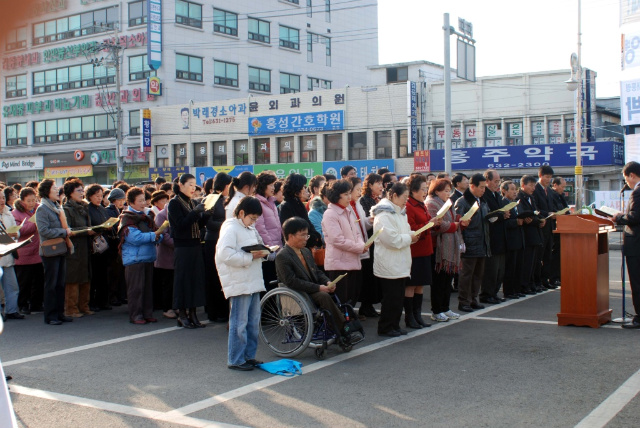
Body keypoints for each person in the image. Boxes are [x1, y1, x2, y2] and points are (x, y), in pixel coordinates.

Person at [275, 217, 362, 344]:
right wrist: (318, 288)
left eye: (307, 234)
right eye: (302, 235)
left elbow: (317, 271)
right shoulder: (282, 256)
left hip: (312, 289)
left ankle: (338, 326)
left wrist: (327, 282)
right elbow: (291, 281)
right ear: (290, 236)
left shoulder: (305, 251)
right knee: (323, 296)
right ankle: (343, 328)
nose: (306, 238)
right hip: (298, 292)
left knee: (332, 292)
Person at [215, 196, 266, 371]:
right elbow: (225, 255)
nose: (254, 222)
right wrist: (250, 256)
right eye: (252, 218)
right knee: (240, 323)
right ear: (242, 212)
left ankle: (248, 356)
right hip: (239, 281)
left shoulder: (250, 228)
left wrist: (266, 251)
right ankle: (236, 359)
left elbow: (259, 246)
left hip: (252, 279)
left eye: (256, 219)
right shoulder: (230, 227)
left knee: (252, 322)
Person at [371, 182, 419, 337]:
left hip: (400, 261)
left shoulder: (399, 213)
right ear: (394, 196)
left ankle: (395, 325)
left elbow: (403, 233)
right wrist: (409, 237)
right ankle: (385, 327)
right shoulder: (383, 215)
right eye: (404, 197)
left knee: (398, 298)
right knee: (391, 298)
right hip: (389, 263)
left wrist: (413, 235)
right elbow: (391, 240)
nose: (406, 200)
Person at [321, 179, 369, 308]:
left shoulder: (347, 211)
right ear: (337, 195)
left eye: (349, 193)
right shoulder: (330, 214)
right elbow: (337, 240)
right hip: (339, 264)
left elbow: (357, 233)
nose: (349, 197)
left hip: (352, 260)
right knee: (341, 300)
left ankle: (348, 325)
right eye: (346, 194)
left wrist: (362, 245)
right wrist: (360, 247)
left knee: (352, 298)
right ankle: (342, 327)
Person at [118, 188, 163, 324]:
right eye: (140, 201)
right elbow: (134, 238)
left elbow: (156, 234)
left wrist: (158, 236)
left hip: (148, 256)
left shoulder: (147, 216)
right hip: (134, 258)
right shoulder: (127, 217)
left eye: (144, 200)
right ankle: (136, 315)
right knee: (136, 289)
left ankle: (147, 313)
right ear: (131, 202)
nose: (143, 203)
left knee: (148, 289)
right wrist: (154, 235)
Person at [168, 173, 207, 329]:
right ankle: (182, 314)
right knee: (183, 281)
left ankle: (193, 313)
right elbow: (180, 225)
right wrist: (196, 212)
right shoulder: (174, 203)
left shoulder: (192, 202)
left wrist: (206, 215)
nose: (193, 188)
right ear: (181, 185)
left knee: (195, 280)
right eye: (190, 184)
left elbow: (198, 225)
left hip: (195, 245)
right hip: (182, 247)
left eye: (194, 185)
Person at [426, 179, 466, 322]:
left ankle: (445, 308)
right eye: (445, 191)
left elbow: (453, 220)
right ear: (436, 191)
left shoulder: (447, 204)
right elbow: (437, 224)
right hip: (438, 248)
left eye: (449, 191)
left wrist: (461, 222)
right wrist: (455, 225)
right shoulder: (431, 203)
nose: (448, 194)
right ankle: (436, 310)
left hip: (449, 247)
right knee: (438, 281)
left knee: (447, 280)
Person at [405, 174, 441, 328]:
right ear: (413, 190)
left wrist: (434, 223)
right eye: (422, 189)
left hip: (425, 250)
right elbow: (411, 229)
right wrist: (429, 224)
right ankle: (409, 317)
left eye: (426, 189)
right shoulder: (408, 206)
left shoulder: (421, 204)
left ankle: (418, 315)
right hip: (414, 251)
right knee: (411, 285)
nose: (425, 192)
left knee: (420, 285)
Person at [36, 179, 73, 326]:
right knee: (51, 284)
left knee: (60, 283)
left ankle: (60, 313)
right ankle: (51, 316)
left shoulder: (57, 206)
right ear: (46, 191)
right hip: (50, 250)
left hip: (61, 247)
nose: (57, 190)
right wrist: (63, 231)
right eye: (54, 188)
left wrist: (66, 231)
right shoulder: (42, 208)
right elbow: (43, 230)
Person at [454, 173, 491, 313]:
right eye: (481, 187)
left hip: (482, 242)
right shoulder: (462, 202)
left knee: (477, 274)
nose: (483, 190)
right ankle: (463, 301)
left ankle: (473, 299)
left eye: (484, 187)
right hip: (469, 242)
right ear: (472, 186)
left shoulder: (483, 201)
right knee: (466, 274)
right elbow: (459, 223)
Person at [62, 180, 94, 318]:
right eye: (79, 191)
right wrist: (87, 230)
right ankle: (71, 308)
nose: (82, 193)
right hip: (74, 247)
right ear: (70, 193)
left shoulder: (84, 207)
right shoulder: (66, 209)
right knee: (73, 278)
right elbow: (69, 229)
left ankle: (84, 306)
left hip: (85, 246)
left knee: (86, 276)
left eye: (82, 190)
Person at [613, 162, 640, 329]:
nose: (626, 183)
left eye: (626, 178)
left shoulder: (637, 192)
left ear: (631, 175)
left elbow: (635, 217)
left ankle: (639, 317)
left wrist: (619, 217)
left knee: (637, 282)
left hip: (636, 243)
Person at [203, 172, 232, 323]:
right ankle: (214, 311)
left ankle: (223, 310)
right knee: (214, 277)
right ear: (225, 185)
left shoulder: (227, 200)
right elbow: (209, 223)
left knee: (223, 277)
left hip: (224, 240)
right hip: (212, 240)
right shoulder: (211, 199)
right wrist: (227, 225)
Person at [479, 170, 510, 304]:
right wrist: (502, 215)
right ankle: (487, 294)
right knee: (491, 269)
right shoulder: (484, 195)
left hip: (501, 236)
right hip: (491, 236)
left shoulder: (496, 195)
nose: (498, 184)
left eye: (499, 181)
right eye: (496, 181)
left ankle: (494, 292)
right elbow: (488, 216)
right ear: (487, 181)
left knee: (499, 270)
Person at [12, 187, 43, 315]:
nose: (31, 203)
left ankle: (36, 305)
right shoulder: (16, 213)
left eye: (33, 200)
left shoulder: (39, 209)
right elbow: (19, 232)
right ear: (22, 200)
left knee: (38, 280)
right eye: (28, 201)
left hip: (38, 251)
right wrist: (35, 223)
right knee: (24, 282)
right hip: (24, 253)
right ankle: (23, 305)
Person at [357, 173, 384, 318]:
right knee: (368, 275)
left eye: (381, 183)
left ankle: (370, 305)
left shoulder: (379, 200)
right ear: (370, 185)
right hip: (368, 242)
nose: (381, 186)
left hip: (378, 241)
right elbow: (365, 223)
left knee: (374, 276)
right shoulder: (364, 201)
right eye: (377, 183)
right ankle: (365, 305)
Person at [86, 184, 113, 312]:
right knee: (95, 275)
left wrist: (109, 226)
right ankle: (93, 301)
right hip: (94, 246)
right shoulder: (87, 209)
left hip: (105, 244)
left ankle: (104, 301)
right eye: (96, 196)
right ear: (90, 196)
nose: (99, 198)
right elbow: (88, 227)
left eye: (101, 196)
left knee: (104, 275)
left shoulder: (102, 209)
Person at [254, 172, 282, 292]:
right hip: (268, 251)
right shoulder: (258, 203)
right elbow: (261, 228)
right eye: (271, 185)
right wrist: (270, 248)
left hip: (276, 247)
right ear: (263, 185)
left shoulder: (271, 202)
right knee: (269, 283)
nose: (273, 188)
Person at [518, 175, 546, 295]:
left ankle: (531, 283)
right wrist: (537, 220)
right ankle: (525, 285)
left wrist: (542, 219)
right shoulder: (520, 198)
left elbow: (536, 213)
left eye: (534, 185)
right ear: (523, 185)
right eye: (531, 185)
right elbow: (526, 217)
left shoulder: (531, 197)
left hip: (535, 234)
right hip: (527, 235)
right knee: (527, 262)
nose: (533, 188)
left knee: (534, 262)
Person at [279, 173, 322, 248]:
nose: (305, 190)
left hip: (305, 244)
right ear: (297, 188)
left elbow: (308, 223)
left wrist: (316, 236)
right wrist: (312, 238)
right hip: (296, 247)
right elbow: (291, 230)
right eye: (303, 187)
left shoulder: (298, 203)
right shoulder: (286, 206)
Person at [533, 165, 557, 290]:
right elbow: (535, 208)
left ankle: (545, 279)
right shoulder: (535, 189)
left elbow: (551, 207)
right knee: (539, 256)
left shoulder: (549, 191)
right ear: (540, 176)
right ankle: (537, 281)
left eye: (550, 177)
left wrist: (554, 213)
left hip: (549, 227)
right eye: (547, 177)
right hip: (541, 226)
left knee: (548, 255)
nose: (549, 180)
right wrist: (546, 214)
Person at [501, 180, 526, 299]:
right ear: (504, 191)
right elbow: (504, 223)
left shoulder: (517, 203)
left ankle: (516, 289)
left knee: (519, 266)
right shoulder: (503, 204)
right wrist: (516, 222)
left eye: (515, 189)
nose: (515, 192)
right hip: (510, 240)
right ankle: (509, 291)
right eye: (511, 189)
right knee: (510, 267)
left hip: (519, 238)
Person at [0, 191, 22, 321]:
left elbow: (16, 231)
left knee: (12, 286)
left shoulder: (8, 213)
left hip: (8, 255)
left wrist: (16, 235)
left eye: (3, 198)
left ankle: (11, 310)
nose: (2, 201)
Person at [154, 199, 175, 319]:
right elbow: (162, 233)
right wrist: (176, 243)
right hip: (166, 254)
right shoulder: (161, 216)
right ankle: (167, 308)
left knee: (173, 282)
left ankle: (173, 306)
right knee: (167, 282)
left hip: (175, 254)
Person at [549, 177, 569, 286]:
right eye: (562, 186)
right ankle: (553, 277)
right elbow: (553, 210)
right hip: (555, 227)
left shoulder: (561, 196)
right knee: (555, 254)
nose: (564, 189)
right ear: (555, 185)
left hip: (563, 227)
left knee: (561, 254)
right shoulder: (551, 195)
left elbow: (565, 209)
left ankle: (560, 275)